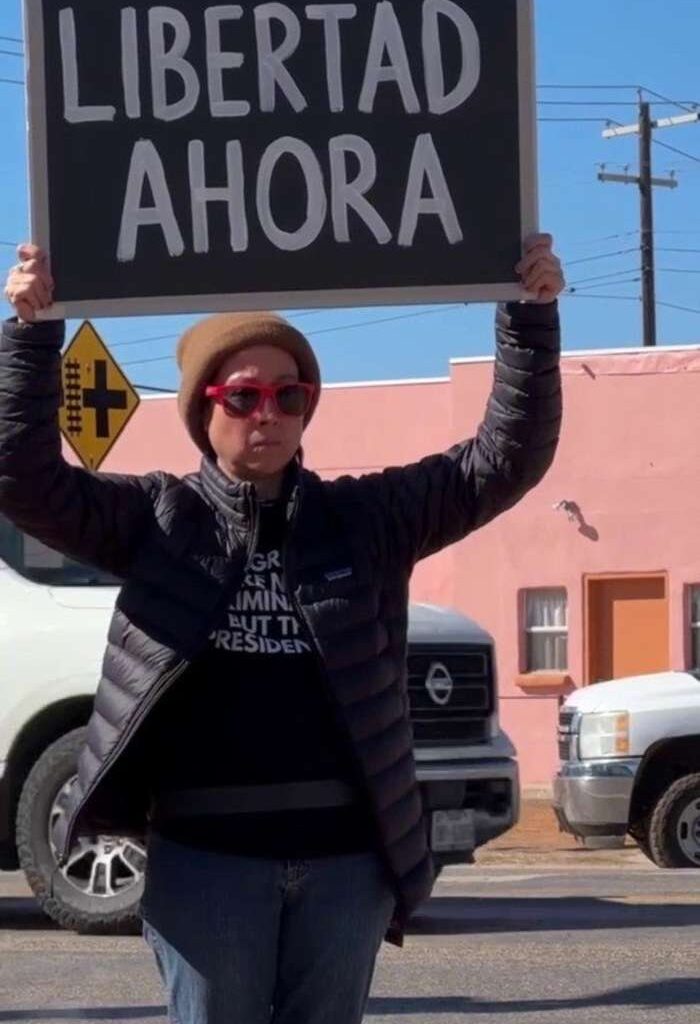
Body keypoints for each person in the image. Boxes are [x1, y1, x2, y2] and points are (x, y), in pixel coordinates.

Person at [2, 235, 564, 1024]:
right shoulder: (158, 521)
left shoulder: (363, 521)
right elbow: (21, 476)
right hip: (206, 872)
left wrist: (529, 320)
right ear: (205, 407)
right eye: (244, 395)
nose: (268, 413)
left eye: (289, 395)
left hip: (345, 868)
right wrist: (30, 331)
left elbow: (502, 461)